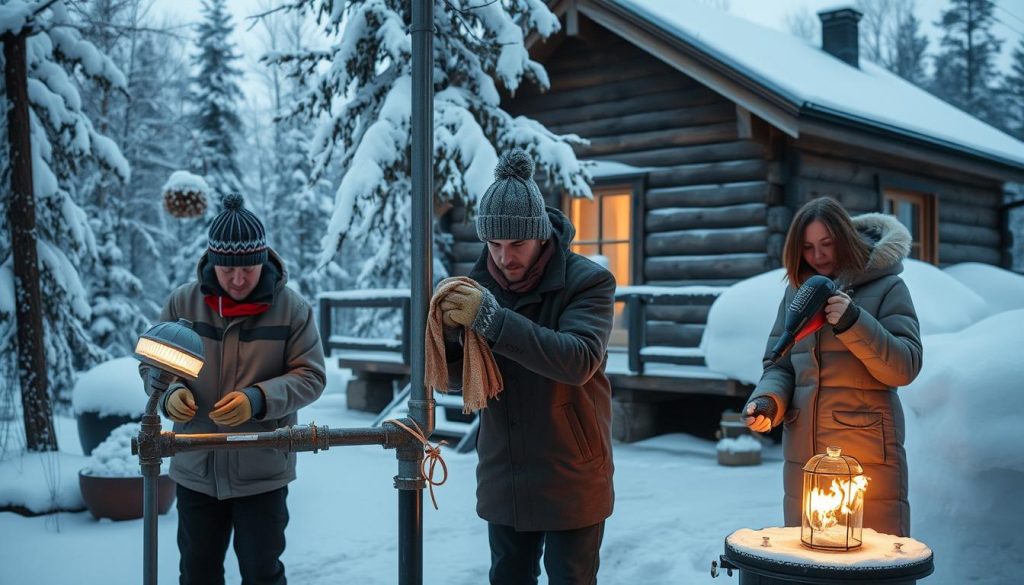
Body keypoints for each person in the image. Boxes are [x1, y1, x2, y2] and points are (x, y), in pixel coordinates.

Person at [436, 149, 616, 584]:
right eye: (493, 244)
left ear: (541, 236)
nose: (503, 257)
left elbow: (578, 360)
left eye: (516, 244)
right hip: (506, 467)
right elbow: (461, 383)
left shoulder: (588, 281)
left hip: (571, 468)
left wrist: (494, 321)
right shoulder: (476, 288)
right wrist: (447, 338)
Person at [144, 193, 326, 585]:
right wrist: (170, 392)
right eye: (228, 270)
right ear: (213, 262)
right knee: (197, 573)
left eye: (249, 269)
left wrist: (258, 399)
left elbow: (311, 376)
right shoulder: (183, 303)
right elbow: (155, 363)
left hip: (262, 472)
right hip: (195, 465)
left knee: (262, 573)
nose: (239, 280)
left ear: (263, 260)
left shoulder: (292, 309)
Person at [743, 197, 922, 537]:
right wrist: (769, 401)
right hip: (804, 459)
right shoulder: (796, 294)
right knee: (808, 561)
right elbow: (779, 365)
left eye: (827, 244)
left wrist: (854, 322)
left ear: (845, 238)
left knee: (871, 563)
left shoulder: (889, 288)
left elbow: (905, 367)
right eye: (808, 247)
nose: (818, 255)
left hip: (865, 462)